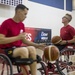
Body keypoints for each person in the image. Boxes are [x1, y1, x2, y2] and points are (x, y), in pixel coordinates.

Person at [0, 4, 46, 75]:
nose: (26, 16)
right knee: (23, 50)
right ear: (18, 12)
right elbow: (1, 40)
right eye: (25, 14)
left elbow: (24, 40)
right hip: (6, 50)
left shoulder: (22, 25)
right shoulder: (6, 23)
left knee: (32, 49)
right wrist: (17, 37)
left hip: (16, 49)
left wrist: (37, 45)